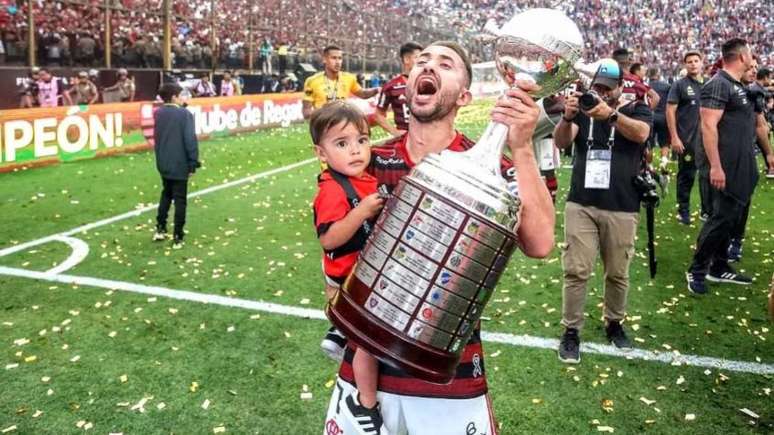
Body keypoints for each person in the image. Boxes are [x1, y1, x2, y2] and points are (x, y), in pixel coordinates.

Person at [324, 40, 554, 435]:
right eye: (422, 62)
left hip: (449, 377)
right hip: (365, 373)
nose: (427, 66)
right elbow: (331, 241)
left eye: (445, 64)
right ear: (410, 83)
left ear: (464, 95)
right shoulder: (368, 162)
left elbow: (539, 243)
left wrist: (522, 147)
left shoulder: (492, 171)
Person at [553, 59, 653, 364]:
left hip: (622, 205)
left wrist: (610, 115)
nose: (600, 94)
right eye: (596, 88)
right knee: (576, 270)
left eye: (607, 89)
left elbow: (641, 134)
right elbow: (560, 141)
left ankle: (614, 323)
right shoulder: (582, 109)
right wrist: (568, 117)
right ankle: (571, 331)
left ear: (619, 88)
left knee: (618, 272)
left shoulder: (635, 107)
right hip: (582, 202)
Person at [311, 101, 387, 435]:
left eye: (362, 140)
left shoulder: (366, 180)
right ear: (321, 153)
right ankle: (366, 404)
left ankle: (340, 332)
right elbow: (329, 239)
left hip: (367, 277)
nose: (355, 151)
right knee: (367, 346)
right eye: (342, 144)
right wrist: (362, 212)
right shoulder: (331, 188)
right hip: (351, 283)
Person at [686, 39, 758, 294]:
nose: (752, 57)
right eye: (750, 53)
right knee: (721, 218)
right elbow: (708, 127)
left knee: (732, 218)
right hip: (724, 166)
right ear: (741, 56)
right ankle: (696, 269)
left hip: (742, 164)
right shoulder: (718, 84)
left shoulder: (738, 86)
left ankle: (719, 267)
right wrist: (715, 166)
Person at [726, 60, 774, 262]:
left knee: (743, 200)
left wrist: (769, 155)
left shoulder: (754, 93)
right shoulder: (726, 89)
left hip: (747, 155)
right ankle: (723, 243)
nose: (753, 70)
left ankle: (735, 241)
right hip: (725, 155)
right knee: (724, 204)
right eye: (750, 67)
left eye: (756, 68)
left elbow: (761, 125)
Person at [152, 83, 201, 249]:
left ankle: (160, 227)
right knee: (180, 199)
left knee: (166, 193)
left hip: (163, 161)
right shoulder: (184, 114)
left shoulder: (158, 113)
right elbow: (190, 140)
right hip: (179, 162)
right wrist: (193, 162)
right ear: (174, 96)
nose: (183, 99)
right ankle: (178, 235)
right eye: (181, 95)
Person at [666, 51, 708, 224]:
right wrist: (674, 138)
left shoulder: (710, 84)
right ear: (685, 65)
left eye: (696, 61)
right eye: (689, 61)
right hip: (687, 140)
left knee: (707, 176)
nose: (693, 64)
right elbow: (670, 111)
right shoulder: (679, 85)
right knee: (687, 175)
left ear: (701, 63)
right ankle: (683, 210)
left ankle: (707, 211)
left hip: (708, 139)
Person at [302, 45, 379, 119]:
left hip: (341, 123)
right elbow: (306, 112)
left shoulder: (348, 78)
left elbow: (363, 94)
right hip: (322, 125)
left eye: (340, 58)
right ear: (324, 59)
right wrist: (325, 111)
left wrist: (377, 90)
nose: (338, 62)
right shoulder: (312, 81)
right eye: (334, 58)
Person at [374, 42, 422, 136]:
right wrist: (394, 132)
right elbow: (378, 115)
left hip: (428, 138)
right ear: (406, 59)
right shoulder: (391, 86)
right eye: (417, 57)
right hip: (406, 141)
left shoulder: (429, 83)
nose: (421, 61)